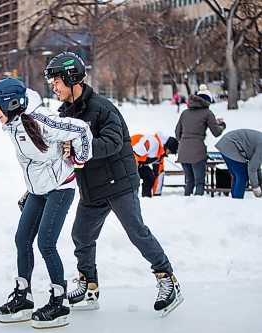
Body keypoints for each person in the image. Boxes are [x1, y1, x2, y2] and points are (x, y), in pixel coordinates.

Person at [44, 51, 182, 316]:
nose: (54, 87)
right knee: (81, 235)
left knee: (137, 232)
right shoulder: (65, 113)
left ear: (72, 79)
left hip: (119, 183)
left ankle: (167, 279)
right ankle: (88, 285)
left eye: (57, 81)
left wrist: (77, 145)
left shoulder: (102, 108)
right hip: (93, 187)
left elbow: (113, 142)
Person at [0, 78, 92, 329]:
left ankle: (59, 301)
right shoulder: (12, 122)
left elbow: (79, 129)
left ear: (12, 104)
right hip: (37, 190)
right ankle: (24, 297)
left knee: (46, 242)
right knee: (22, 239)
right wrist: (29, 190)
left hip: (60, 188)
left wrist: (80, 158)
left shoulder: (41, 119)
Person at [175, 84, 226, 196]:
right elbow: (216, 132)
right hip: (198, 151)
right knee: (199, 182)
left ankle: (185, 204)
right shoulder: (207, 113)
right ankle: (198, 206)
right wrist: (221, 125)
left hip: (183, 151)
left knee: (189, 182)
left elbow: (177, 133)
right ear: (207, 101)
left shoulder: (184, 113)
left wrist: (185, 140)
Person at [215, 129, 262, 199]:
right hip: (231, 144)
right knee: (242, 176)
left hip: (226, 143)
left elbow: (256, 166)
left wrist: (260, 182)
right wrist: (256, 188)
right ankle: (237, 201)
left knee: (237, 176)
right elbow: (252, 168)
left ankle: (235, 201)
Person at [131, 132, 179, 197]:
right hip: (127, 156)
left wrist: (157, 195)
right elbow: (134, 154)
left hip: (138, 162)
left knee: (150, 177)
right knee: (132, 181)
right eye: (170, 152)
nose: (168, 154)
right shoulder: (153, 143)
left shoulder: (159, 155)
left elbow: (159, 173)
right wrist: (133, 175)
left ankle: (146, 198)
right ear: (167, 147)